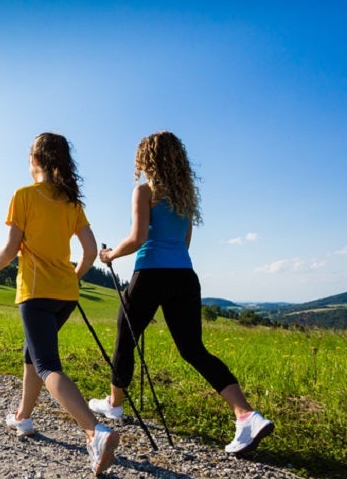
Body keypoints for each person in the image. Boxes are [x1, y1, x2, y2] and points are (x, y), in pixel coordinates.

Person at [90, 131, 274, 455]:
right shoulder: (185, 196)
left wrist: (109, 256)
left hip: (149, 273)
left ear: (147, 159)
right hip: (184, 276)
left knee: (124, 336)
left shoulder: (144, 191)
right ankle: (246, 415)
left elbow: (137, 237)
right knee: (193, 350)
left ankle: (115, 405)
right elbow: (185, 242)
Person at [0, 132, 119, 477]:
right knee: (32, 354)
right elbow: (89, 252)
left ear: (36, 160)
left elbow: (12, 247)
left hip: (35, 292)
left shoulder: (24, 195)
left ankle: (95, 432)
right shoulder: (72, 203)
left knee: (47, 365)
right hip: (66, 294)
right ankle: (23, 418)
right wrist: (73, 277)